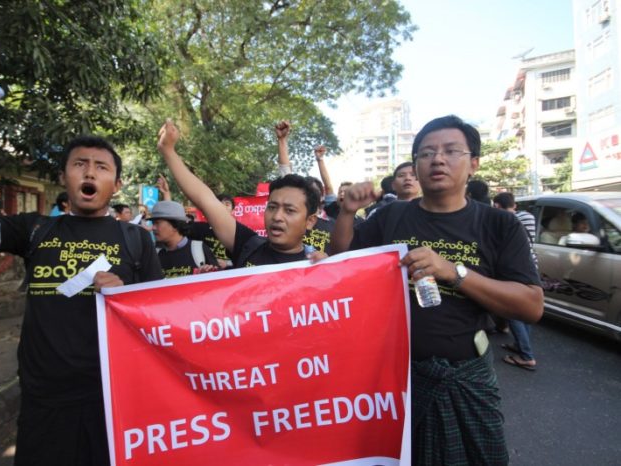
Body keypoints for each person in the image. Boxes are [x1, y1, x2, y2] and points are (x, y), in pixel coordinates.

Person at [0, 62, 163, 465]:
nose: (90, 171)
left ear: (116, 184)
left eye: (102, 167)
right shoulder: (33, 230)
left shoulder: (137, 239)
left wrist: (128, 298)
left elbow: (159, 318)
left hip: (116, 394)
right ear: (66, 178)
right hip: (44, 397)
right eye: (79, 164)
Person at [330, 115, 543, 465]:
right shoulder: (391, 217)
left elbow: (531, 306)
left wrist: (453, 272)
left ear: (473, 163)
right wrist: (347, 213)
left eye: (450, 151)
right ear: (416, 164)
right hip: (393, 380)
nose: (437, 159)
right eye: (426, 152)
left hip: (466, 377)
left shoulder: (498, 224)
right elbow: (339, 265)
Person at [157, 119, 325, 267]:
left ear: (310, 221)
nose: (277, 217)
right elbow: (205, 198)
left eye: (289, 210)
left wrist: (328, 269)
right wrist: (168, 151)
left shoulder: (320, 267)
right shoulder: (248, 245)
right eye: (272, 207)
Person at [492, 192, 538, 371]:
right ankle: (520, 346)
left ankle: (526, 355)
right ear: (514, 204)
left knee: (512, 310)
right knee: (525, 308)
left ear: (496, 206)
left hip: (512, 268)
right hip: (531, 264)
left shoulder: (502, 220)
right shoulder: (528, 217)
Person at [274, 121, 335, 253]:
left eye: (315, 191)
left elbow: (329, 187)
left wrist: (320, 160)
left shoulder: (333, 222)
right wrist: (282, 140)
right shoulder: (294, 217)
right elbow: (285, 175)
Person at [149, 200, 218, 277]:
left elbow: (218, 280)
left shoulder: (199, 249)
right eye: (153, 223)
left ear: (175, 225)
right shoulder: (154, 255)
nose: (153, 228)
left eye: (157, 223)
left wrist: (206, 274)